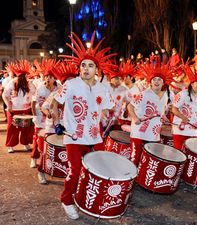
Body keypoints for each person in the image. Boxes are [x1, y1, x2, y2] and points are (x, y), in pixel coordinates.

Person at [51, 32, 115, 220]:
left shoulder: (103, 88)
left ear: (97, 70)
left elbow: (107, 108)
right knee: (75, 170)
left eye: (90, 66)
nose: (86, 69)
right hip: (74, 136)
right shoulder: (71, 85)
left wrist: (102, 117)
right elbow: (55, 103)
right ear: (79, 68)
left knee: (101, 168)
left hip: (95, 136)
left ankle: (89, 196)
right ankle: (67, 200)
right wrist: (57, 122)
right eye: (83, 66)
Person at [37, 61, 78, 184]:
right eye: (68, 82)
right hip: (52, 128)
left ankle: (67, 175)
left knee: (67, 155)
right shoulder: (56, 94)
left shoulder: (78, 96)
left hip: (69, 130)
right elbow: (44, 106)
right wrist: (47, 113)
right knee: (46, 153)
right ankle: (41, 172)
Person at [127, 63, 172, 165]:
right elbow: (130, 106)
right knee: (135, 157)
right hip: (139, 131)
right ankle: (130, 178)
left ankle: (142, 179)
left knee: (150, 158)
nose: (156, 82)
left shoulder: (165, 96)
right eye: (154, 79)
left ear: (163, 82)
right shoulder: (143, 94)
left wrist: (164, 118)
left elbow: (161, 112)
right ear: (150, 82)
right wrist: (135, 118)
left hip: (154, 133)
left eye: (159, 79)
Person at [171, 63, 197, 151]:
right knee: (179, 152)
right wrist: (182, 117)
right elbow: (174, 109)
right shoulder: (183, 94)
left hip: (194, 130)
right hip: (180, 128)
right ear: (192, 84)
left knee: (191, 154)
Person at [30, 59, 59, 168]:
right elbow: (33, 103)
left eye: (50, 77)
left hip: (52, 119)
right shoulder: (41, 88)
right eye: (46, 76)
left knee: (49, 141)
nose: (47, 78)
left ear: (54, 78)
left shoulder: (58, 88)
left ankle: (50, 163)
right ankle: (33, 157)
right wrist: (34, 116)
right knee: (38, 139)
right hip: (40, 117)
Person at [2, 60, 36, 153]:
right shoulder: (12, 82)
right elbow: (5, 95)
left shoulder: (29, 83)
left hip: (26, 109)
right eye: (23, 76)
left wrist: (31, 103)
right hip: (14, 110)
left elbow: (35, 93)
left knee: (26, 128)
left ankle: (25, 144)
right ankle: (10, 145)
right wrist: (8, 105)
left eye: (25, 75)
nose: (24, 77)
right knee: (12, 128)